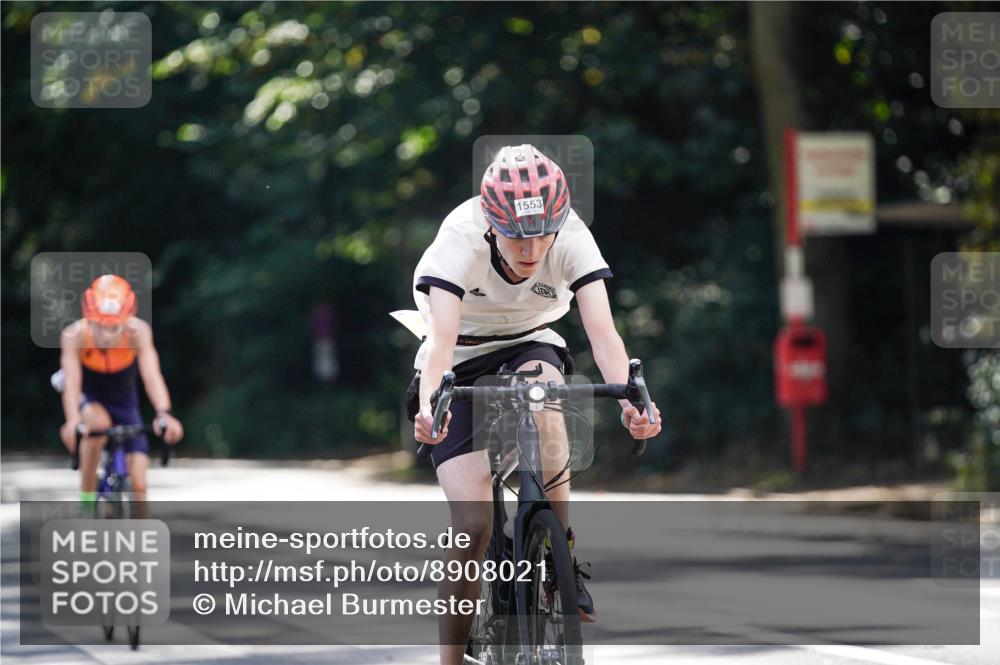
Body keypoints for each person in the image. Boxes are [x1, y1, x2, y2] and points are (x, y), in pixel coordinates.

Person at [405, 144, 662, 665]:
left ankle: (558, 546)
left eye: (543, 233)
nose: (532, 247)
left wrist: (630, 402)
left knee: (546, 397)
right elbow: (440, 339)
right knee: (472, 526)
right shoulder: (459, 237)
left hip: (530, 342)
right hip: (460, 357)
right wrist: (431, 404)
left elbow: (603, 334)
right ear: (491, 222)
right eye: (518, 236)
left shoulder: (570, 235)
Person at [57, 275, 184, 514]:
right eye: (98, 325)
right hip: (91, 398)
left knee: (139, 484)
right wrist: (73, 421)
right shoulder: (74, 336)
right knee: (97, 424)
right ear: (88, 317)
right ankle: (86, 501)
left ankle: (142, 544)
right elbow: (72, 382)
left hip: (125, 402)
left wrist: (164, 414)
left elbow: (152, 376)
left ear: (126, 320)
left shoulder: (138, 333)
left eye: (113, 327)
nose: (105, 335)